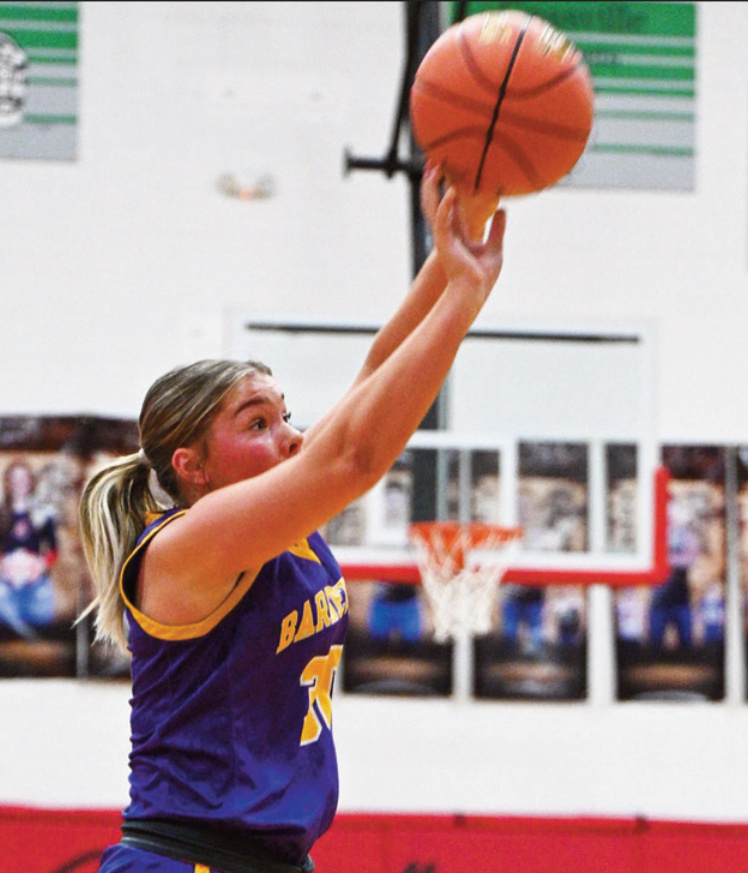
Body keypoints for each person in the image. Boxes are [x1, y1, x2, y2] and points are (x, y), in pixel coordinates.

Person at [77, 164, 507, 873]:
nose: (290, 436)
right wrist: (462, 299)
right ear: (193, 465)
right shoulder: (188, 546)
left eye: (286, 414)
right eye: (257, 422)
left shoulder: (284, 520)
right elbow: (355, 457)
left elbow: (377, 368)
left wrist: (454, 245)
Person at [0, 457, 58, 638]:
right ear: (8, 482)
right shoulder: (2, 513)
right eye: (15, 479)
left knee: (42, 614)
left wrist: (42, 565)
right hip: (7, 584)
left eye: (24, 479)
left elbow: (53, 548)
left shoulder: (41, 513)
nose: (20, 483)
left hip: (35, 582)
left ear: (30, 481)